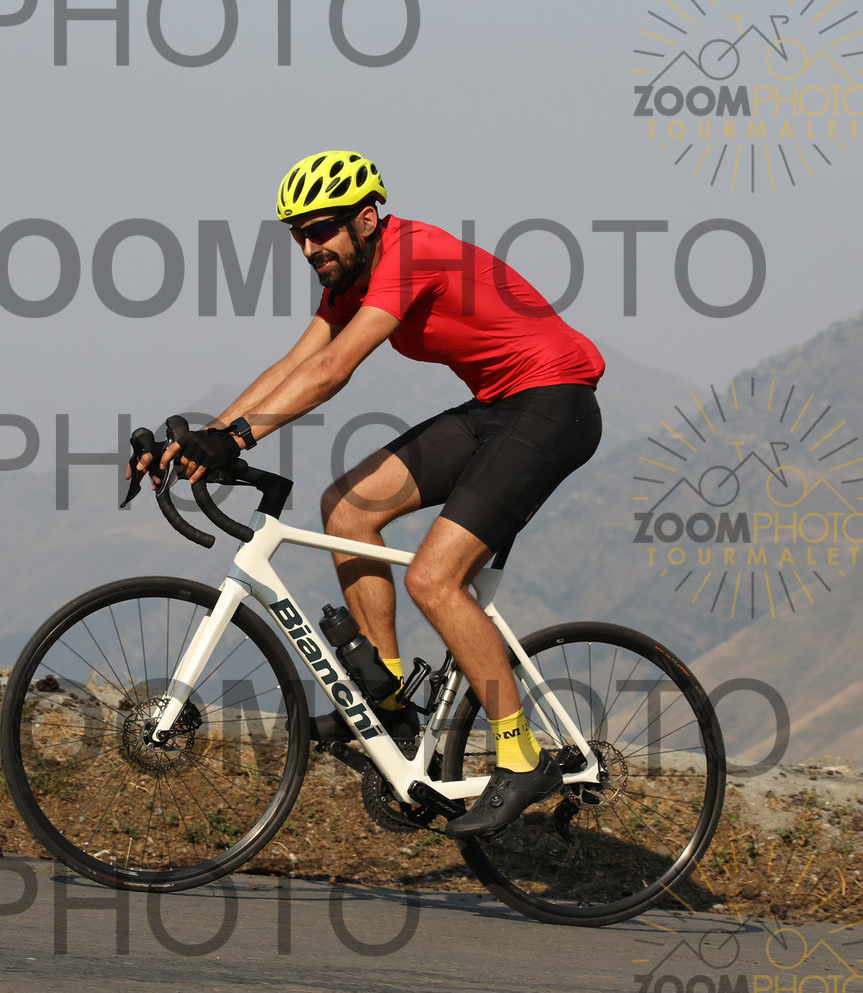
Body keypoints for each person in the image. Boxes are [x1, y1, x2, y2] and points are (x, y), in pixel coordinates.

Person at [137, 150, 605, 837]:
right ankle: (388, 699)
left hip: (554, 406)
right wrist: (205, 438)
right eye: (297, 236)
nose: (308, 248)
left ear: (365, 219)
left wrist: (237, 438)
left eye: (319, 231)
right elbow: (296, 362)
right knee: (348, 506)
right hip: (496, 407)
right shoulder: (348, 282)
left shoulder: (413, 253)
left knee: (434, 579)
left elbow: (334, 369)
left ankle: (520, 754)